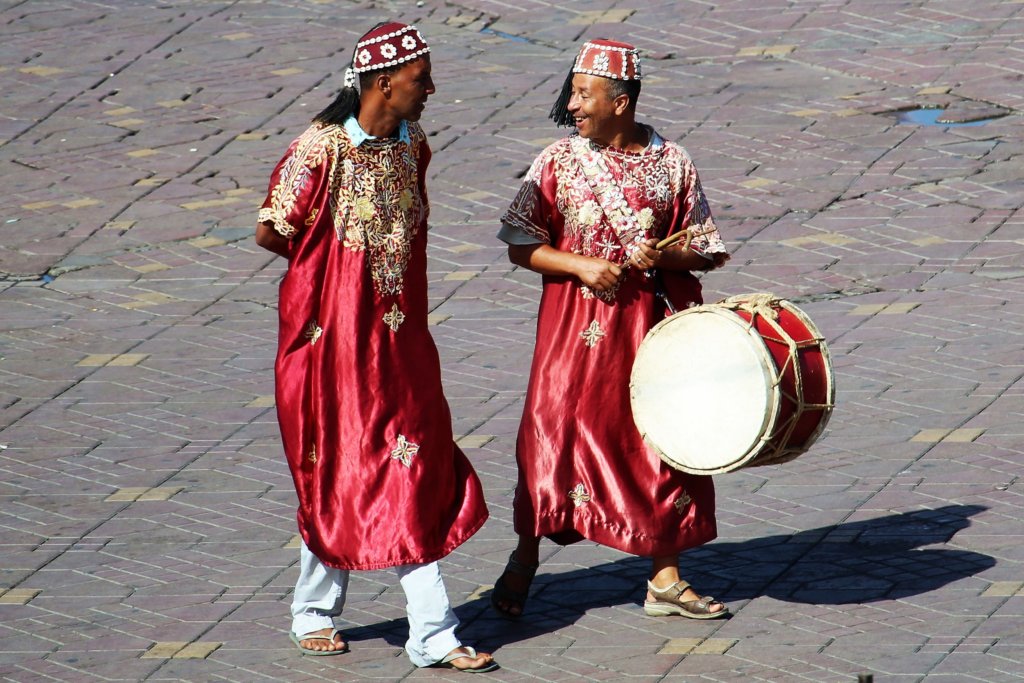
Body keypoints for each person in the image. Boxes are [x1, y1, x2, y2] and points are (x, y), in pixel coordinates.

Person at [255, 22, 497, 673]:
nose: (432, 90)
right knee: (349, 470)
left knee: (397, 468)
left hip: (401, 345)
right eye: (422, 80)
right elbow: (273, 228)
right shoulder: (319, 151)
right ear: (385, 83)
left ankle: (326, 611)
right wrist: (332, 291)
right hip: (333, 351)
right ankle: (431, 632)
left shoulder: (414, 144)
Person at [493, 38, 731, 621]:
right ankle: (525, 556)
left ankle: (665, 577)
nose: (571, 105)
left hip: (648, 332)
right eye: (572, 93)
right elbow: (521, 243)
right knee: (553, 441)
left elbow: (703, 248)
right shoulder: (558, 161)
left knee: (659, 443)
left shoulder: (673, 162)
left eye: (583, 94)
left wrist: (664, 259)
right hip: (572, 335)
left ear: (619, 101)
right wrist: (580, 265)